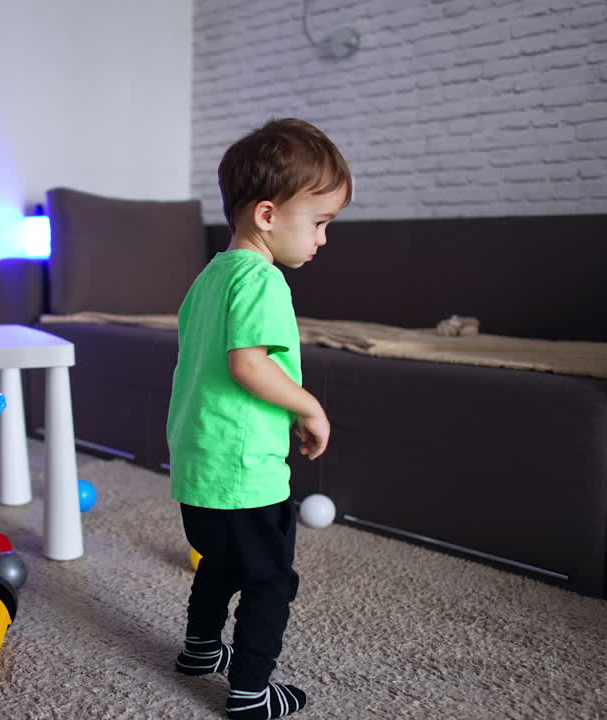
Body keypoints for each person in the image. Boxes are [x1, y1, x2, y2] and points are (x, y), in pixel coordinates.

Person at [167, 118, 352, 719]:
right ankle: (249, 693)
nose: (324, 239)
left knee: (220, 563)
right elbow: (248, 365)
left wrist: (283, 405)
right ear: (268, 216)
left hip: (201, 462)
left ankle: (199, 652)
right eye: (319, 222)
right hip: (246, 472)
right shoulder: (263, 279)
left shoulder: (209, 277)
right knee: (271, 580)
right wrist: (308, 404)